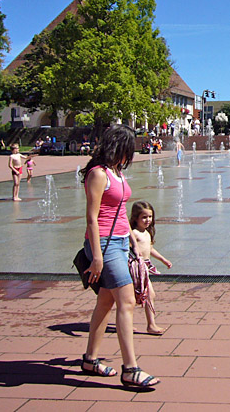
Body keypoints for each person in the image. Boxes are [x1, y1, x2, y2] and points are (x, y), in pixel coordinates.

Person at [79, 125, 160, 388]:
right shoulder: (98, 174)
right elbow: (92, 217)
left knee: (105, 303)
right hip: (102, 243)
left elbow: (120, 211)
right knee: (126, 302)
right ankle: (130, 368)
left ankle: (90, 359)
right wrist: (98, 256)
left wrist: (132, 244)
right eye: (130, 147)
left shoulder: (117, 172)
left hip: (119, 242)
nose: (132, 153)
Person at [128, 201, 172, 335]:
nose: (148, 220)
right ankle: (150, 325)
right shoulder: (134, 233)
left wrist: (163, 259)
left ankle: (129, 324)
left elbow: (150, 249)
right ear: (135, 218)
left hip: (145, 268)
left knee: (138, 296)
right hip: (135, 268)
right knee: (147, 295)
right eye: (144, 217)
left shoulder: (147, 233)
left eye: (150, 217)